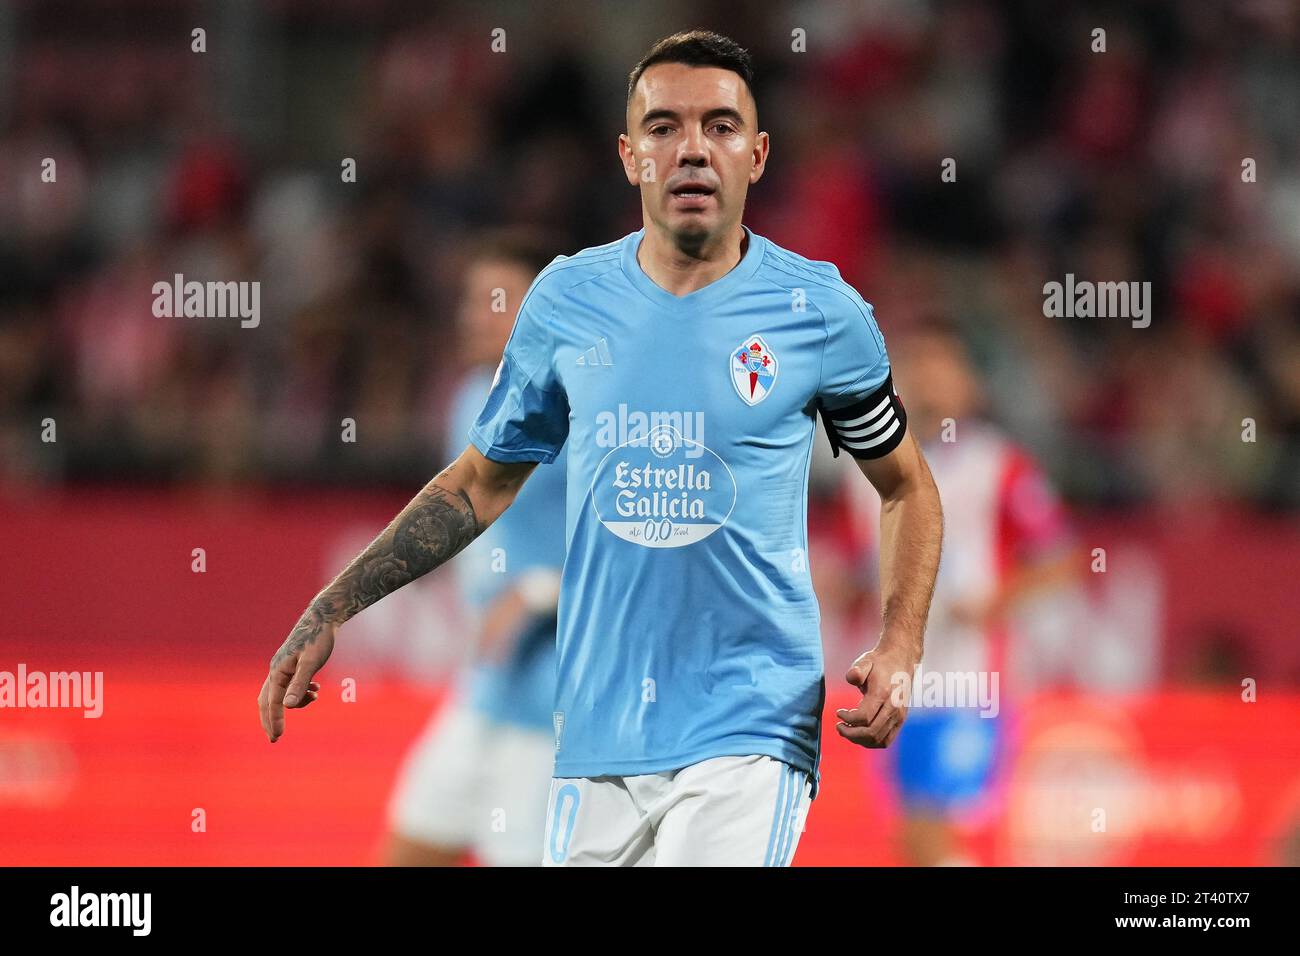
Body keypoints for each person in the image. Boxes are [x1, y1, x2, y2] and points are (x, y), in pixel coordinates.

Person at [258, 30, 943, 867]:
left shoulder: (819, 313)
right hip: (595, 733)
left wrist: (901, 641)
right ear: (629, 156)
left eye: (721, 126)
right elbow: (478, 483)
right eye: (664, 127)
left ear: (758, 155)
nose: (692, 149)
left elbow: (905, 486)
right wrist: (333, 606)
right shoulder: (566, 302)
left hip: (750, 725)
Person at [845, 323, 1076, 865]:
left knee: (936, 829)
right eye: (918, 364)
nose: (929, 379)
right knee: (912, 838)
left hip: (968, 680)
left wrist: (995, 602)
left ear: (969, 384)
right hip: (895, 679)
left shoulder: (999, 465)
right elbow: (867, 568)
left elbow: (1062, 559)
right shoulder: (865, 468)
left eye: (942, 366)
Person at [384, 230, 565, 866]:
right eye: (471, 299)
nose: (474, 315)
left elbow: (640, 551)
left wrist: (535, 591)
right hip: (485, 687)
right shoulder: (468, 399)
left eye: (497, 299)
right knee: (409, 848)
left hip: (554, 708)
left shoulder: (585, 415)